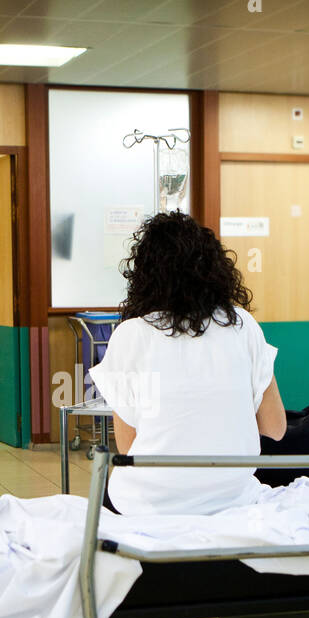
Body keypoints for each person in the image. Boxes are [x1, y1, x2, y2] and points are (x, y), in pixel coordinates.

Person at [88, 212, 286, 516]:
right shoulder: (243, 325)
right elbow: (275, 428)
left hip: (146, 506)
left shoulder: (132, 335)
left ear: (144, 276)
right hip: (233, 499)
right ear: (215, 269)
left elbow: (128, 450)